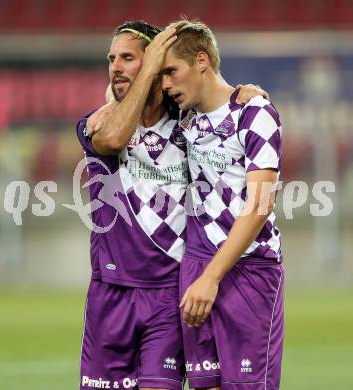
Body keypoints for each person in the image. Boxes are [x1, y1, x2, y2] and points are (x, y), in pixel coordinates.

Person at [77, 20, 267, 390]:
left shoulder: (190, 126)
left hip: (169, 293)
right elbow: (114, 138)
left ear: (155, 64)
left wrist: (246, 96)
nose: (116, 65)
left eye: (128, 58)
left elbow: (224, 107)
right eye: (111, 58)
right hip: (109, 292)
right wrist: (144, 69)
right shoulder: (97, 124)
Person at [161, 21, 284, 390]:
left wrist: (211, 277)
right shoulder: (183, 119)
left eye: (171, 71)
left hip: (248, 269)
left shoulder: (254, 114)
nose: (165, 84)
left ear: (201, 60)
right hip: (196, 263)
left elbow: (259, 205)